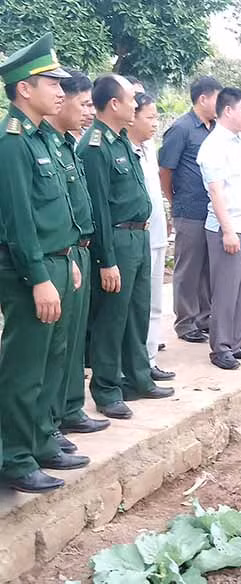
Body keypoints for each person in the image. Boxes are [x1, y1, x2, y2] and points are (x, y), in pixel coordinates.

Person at [0, 33, 90, 493]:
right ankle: (14, 458)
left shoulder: (41, 139)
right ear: (23, 90)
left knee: (52, 359)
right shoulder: (13, 141)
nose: (60, 90)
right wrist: (39, 276)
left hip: (58, 262)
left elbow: (52, 212)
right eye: (49, 82)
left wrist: (66, 258)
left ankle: (38, 441)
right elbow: (18, 221)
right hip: (28, 271)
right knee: (24, 365)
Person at [79, 75, 174, 420]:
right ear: (114, 104)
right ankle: (106, 388)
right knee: (111, 318)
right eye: (131, 99)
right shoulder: (95, 146)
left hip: (138, 236)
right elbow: (99, 208)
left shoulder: (121, 142)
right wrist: (106, 259)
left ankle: (138, 378)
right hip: (116, 239)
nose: (137, 105)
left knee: (137, 312)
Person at [43, 69, 111, 445]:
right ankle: (47, 424)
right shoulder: (42, 144)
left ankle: (69, 409)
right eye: (83, 103)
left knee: (69, 341)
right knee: (51, 348)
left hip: (76, 253)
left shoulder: (66, 145)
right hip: (56, 257)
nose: (89, 111)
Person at [197, 88, 241, 370]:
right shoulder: (214, 146)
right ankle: (221, 347)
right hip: (229, 227)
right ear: (228, 111)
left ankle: (237, 342)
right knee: (226, 290)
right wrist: (228, 230)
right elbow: (216, 193)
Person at [159, 76, 222, 344]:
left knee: (208, 268)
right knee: (188, 268)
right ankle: (185, 323)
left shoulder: (214, 129)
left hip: (211, 210)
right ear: (203, 98)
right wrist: (174, 201)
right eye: (218, 99)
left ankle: (204, 317)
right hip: (190, 208)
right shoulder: (182, 128)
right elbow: (165, 170)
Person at [130, 92, 175, 382]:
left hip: (157, 235)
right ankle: (135, 365)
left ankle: (148, 360)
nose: (155, 123)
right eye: (150, 117)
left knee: (155, 305)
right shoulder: (125, 149)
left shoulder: (148, 149)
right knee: (138, 307)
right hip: (137, 238)